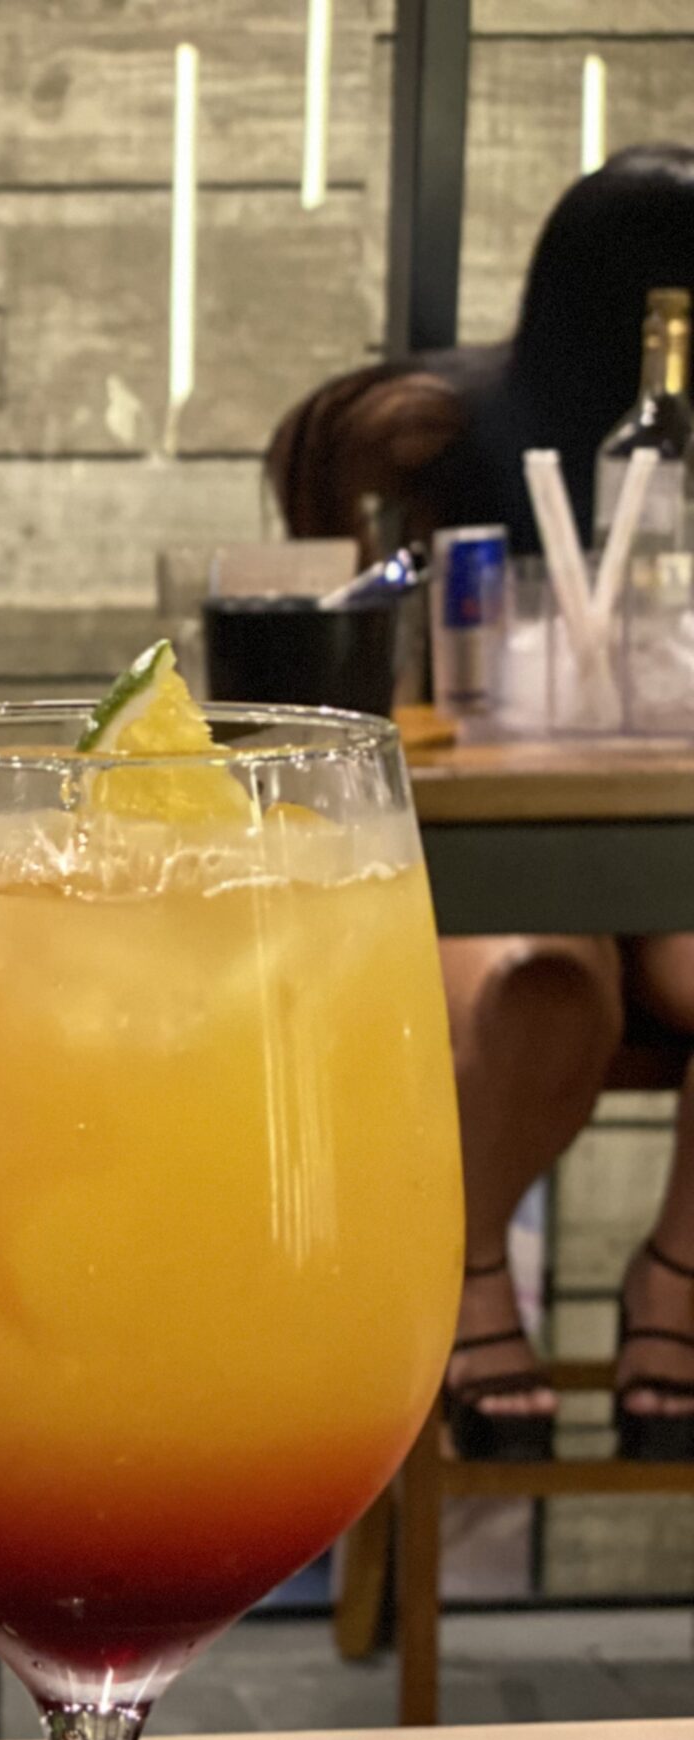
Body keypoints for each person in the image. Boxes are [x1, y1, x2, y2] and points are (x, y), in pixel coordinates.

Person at [268, 145, 694, 1462]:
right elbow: (339, 654)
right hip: (491, 832)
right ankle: (467, 1276)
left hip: (665, 827)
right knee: (535, 980)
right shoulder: (438, 442)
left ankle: (677, 1274)